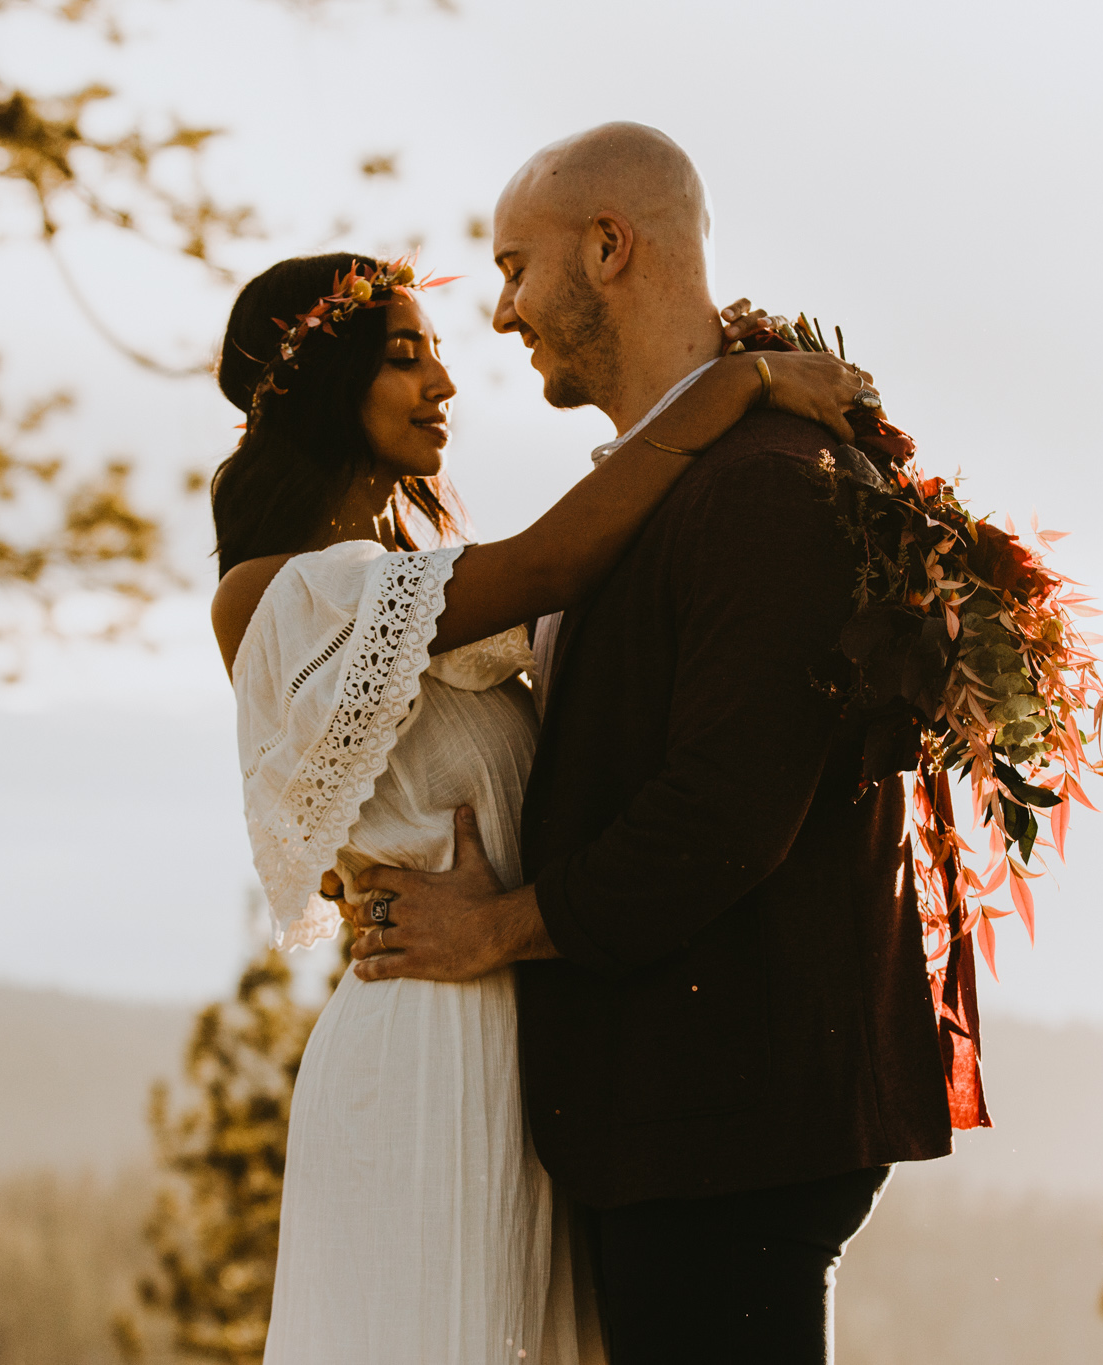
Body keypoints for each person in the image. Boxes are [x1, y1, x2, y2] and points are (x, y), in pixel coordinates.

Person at [339, 124, 954, 1364]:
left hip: (729, 1115)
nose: (502, 313)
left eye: (516, 267)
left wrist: (490, 930)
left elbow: (718, 814)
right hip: (675, 1112)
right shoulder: (669, 484)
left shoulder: (768, 483)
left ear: (608, 247)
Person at [210, 247, 870, 1364]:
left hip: (524, 1044)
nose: (444, 383)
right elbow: (561, 562)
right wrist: (737, 384)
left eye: (436, 353)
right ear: (325, 383)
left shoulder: (414, 587)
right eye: (406, 355)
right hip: (426, 1051)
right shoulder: (287, 591)